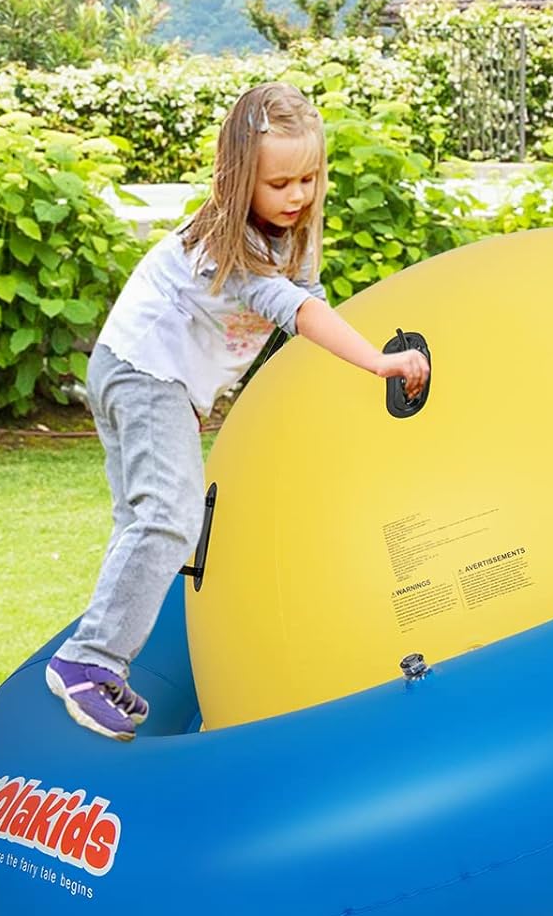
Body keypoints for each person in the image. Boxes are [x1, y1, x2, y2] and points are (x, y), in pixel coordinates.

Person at [46, 82, 429, 741]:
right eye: (279, 184)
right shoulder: (231, 246)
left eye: (308, 178)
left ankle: (98, 655)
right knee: (170, 519)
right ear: (238, 178)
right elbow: (298, 312)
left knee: (141, 519)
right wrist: (378, 362)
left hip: (141, 373)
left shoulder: (291, 236)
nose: (297, 196)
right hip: (143, 375)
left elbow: (311, 297)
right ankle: (90, 659)